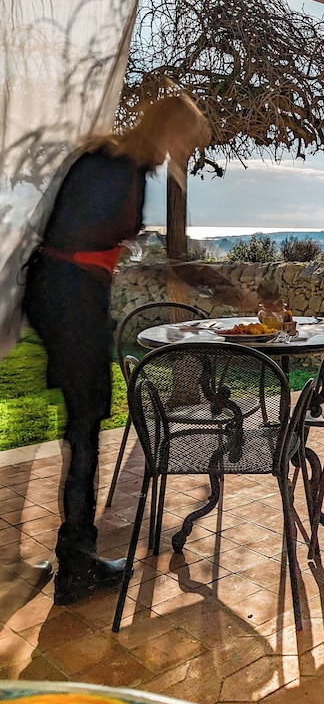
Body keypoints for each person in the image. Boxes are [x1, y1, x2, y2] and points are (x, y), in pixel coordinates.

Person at [22, 92, 254, 605]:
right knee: (84, 430)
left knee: (84, 427)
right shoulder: (113, 164)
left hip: (69, 293)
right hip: (68, 295)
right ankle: (75, 566)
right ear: (168, 128)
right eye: (186, 141)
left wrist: (221, 288)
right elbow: (76, 232)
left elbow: (154, 254)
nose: (185, 152)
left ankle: (76, 556)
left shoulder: (124, 165)